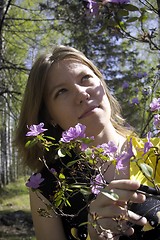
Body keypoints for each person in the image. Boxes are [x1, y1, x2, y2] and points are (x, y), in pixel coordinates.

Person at [15, 45, 160, 240]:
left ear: (101, 83)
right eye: (62, 91)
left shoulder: (155, 153)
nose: (82, 94)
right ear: (50, 117)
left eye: (85, 78)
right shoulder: (46, 189)